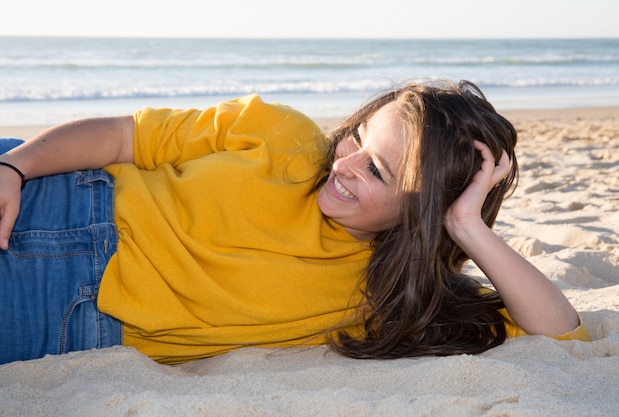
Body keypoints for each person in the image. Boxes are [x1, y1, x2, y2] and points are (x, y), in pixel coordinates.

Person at [0, 80, 588, 365]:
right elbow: (121, 136)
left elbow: (562, 333)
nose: (346, 164)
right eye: (357, 137)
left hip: (69, 315)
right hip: (56, 190)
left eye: (378, 171)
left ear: (424, 214)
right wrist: (15, 166)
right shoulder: (281, 132)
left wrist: (467, 226)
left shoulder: (385, 299)